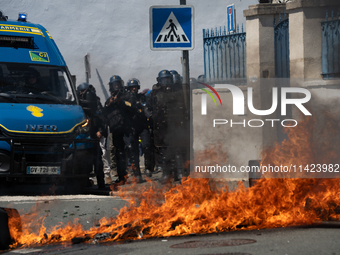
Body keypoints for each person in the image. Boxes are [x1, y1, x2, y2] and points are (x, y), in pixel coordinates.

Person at [151, 70, 190, 183]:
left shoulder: (179, 91)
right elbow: (151, 108)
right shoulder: (156, 93)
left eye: (168, 79)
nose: (166, 82)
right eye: (164, 80)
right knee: (165, 151)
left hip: (176, 124)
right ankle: (167, 174)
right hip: (163, 126)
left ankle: (181, 173)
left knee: (178, 150)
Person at [103, 75, 143, 184]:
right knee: (119, 153)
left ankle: (137, 175)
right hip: (116, 130)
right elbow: (104, 114)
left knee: (132, 150)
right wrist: (109, 104)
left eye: (118, 84)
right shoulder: (108, 101)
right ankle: (122, 177)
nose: (116, 87)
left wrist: (121, 101)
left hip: (127, 128)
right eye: (114, 85)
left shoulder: (128, 96)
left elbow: (133, 108)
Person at [77, 82, 106, 189]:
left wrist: (101, 131)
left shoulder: (95, 103)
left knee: (98, 162)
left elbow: (102, 119)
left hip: (93, 137)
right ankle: (83, 182)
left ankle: (101, 183)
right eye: (84, 91)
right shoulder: (77, 104)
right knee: (83, 163)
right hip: (82, 138)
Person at [125, 79, 154, 178]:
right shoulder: (126, 98)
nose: (134, 89)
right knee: (133, 150)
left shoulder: (142, 97)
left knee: (147, 146)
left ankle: (149, 168)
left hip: (142, 125)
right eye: (132, 87)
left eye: (135, 87)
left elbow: (148, 108)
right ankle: (136, 173)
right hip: (132, 126)